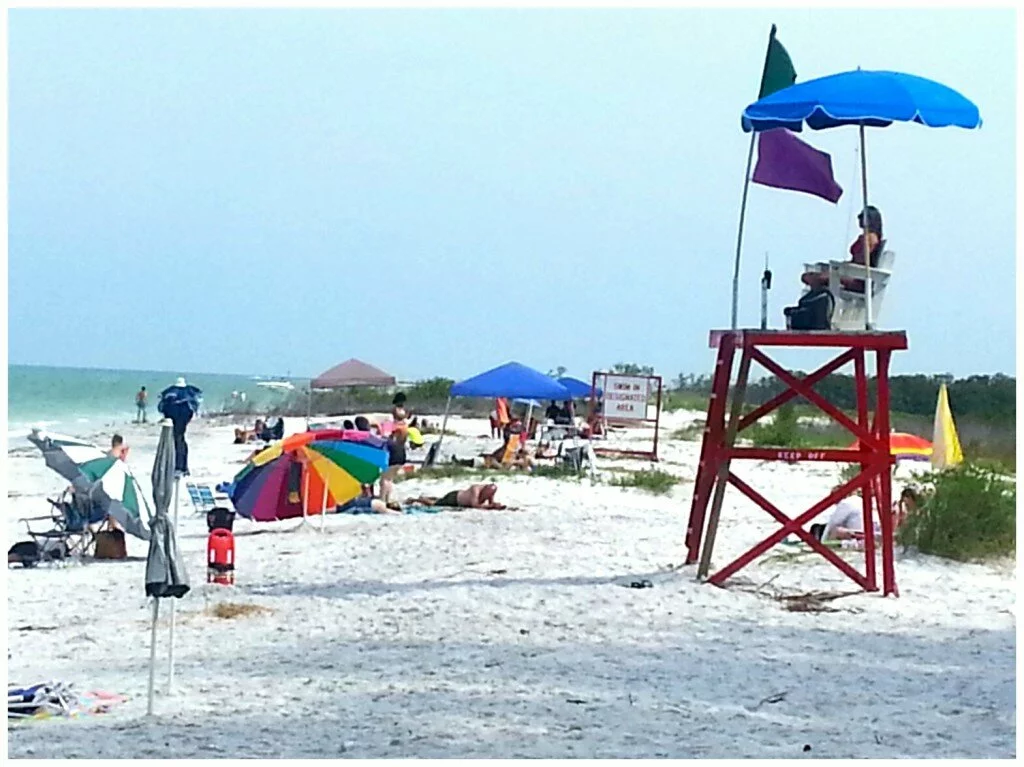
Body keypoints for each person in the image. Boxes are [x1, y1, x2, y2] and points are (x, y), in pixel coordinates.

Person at [801, 206, 884, 293]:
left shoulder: (869, 238)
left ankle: (817, 301)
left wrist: (839, 268)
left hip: (857, 279)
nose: (858, 218)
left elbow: (860, 262)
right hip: (852, 274)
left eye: (861, 216)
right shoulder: (866, 237)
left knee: (812, 277)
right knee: (809, 276)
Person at [407, 483, 508, 510]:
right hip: (455, 498)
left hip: (457, 498)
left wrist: (496, 505)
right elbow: (475, 505)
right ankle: (417, 500)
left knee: (440, 499)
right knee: (435, 504)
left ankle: (425, 497)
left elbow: (490, 503)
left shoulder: (490, 492)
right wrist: (490, 507)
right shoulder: (475, 489)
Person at [337, 496, 403, 515]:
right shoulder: (381, 505)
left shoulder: (381, 504)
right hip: (363, 503)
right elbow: (387, 512)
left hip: (361, 502)